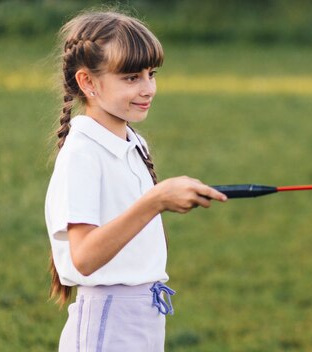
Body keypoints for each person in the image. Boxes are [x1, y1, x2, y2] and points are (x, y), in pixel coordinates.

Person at [45, 10, 227, 351]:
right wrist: (155, 201)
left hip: (144, 314)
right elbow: (83, 256)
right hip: (108, 321)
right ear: (88, 83)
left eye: (151, 74)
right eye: (131, 78)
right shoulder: (82, 154)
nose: (148, 89)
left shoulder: (132, 142)